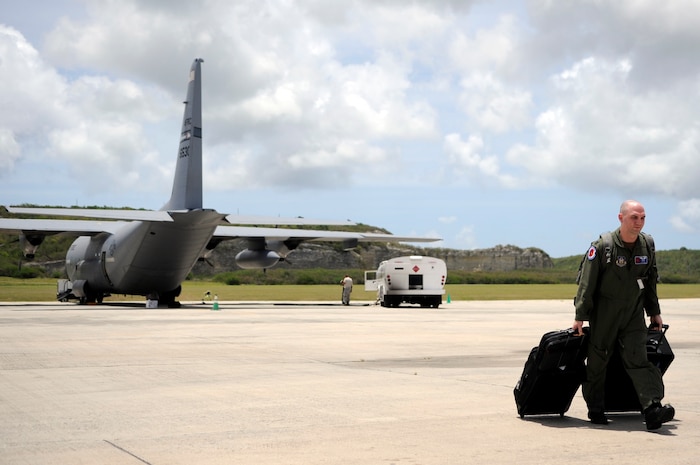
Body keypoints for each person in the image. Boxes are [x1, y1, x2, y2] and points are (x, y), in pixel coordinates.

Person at [573, 200, 674, 430]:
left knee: (639, 359)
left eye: (643, 217)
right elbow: (587, 285)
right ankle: (596, 409)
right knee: (598, 361)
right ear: (621, 218)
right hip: (604, 313)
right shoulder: (602, 246)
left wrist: (654, 312)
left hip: (633, 313)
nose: (639, 222)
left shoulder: (647, 245)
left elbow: (650, 282)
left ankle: (652, 409)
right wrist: (580, 315)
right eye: (634, 217)